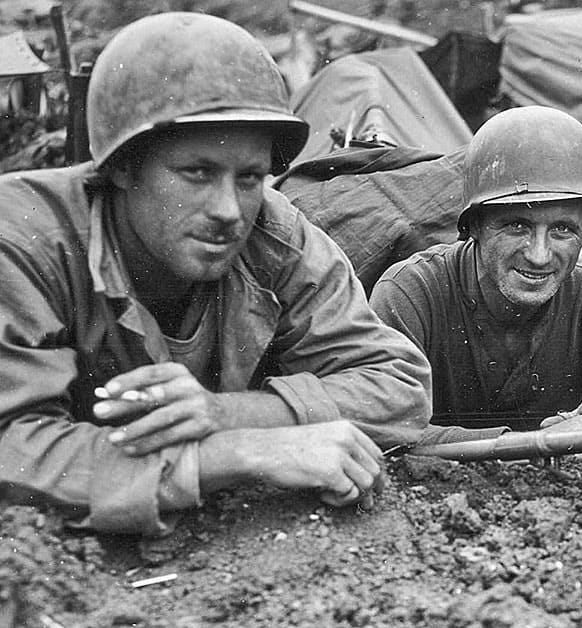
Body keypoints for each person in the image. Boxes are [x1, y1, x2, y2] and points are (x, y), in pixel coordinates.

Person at [0, 13, 433, 536]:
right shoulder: (23, 239)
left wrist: (228, 413)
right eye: (197, 173)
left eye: (250, 177)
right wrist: (236, 452)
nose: (229, 210)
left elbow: (397, 384)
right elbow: (11, 448)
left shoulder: (275, 235)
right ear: (119, 167)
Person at [370, 106, 582, 435]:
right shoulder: (411, 293)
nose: (538, 256)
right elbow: (386, 428)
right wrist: (537, 445)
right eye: (517, 226)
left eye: (563, 230)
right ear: (475, 225)